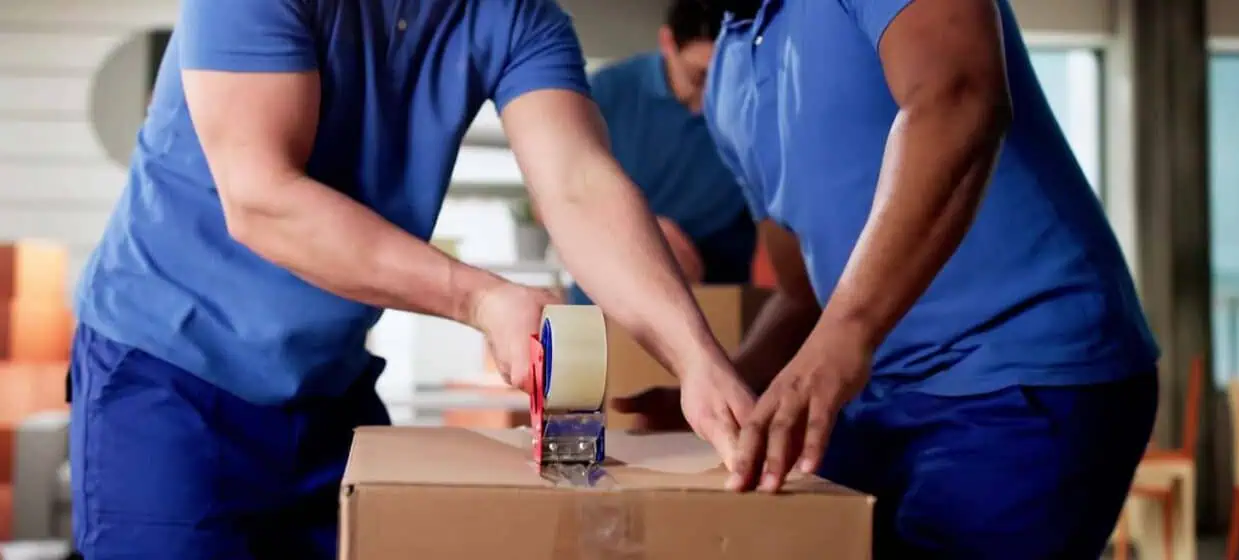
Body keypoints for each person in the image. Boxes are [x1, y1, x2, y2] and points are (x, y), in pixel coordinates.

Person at [67, 0, 757, 557]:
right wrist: (483, 300)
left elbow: (578, 185)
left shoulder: (521, 18)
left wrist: (693, 356)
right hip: (166, 376)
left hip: (325, 385)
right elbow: (261, 198)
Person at [618, 0, 1160, 556]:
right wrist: (729, 387)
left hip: (1020, 373)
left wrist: (845, 335)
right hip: (875, 392)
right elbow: (804, 289)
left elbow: (959, 96)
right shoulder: (729, 75)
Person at [564, 0, 757, 304]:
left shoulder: (756, 108)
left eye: (727, 75)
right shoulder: (606, 93)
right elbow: (552, 198)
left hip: (718, 308)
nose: (714, 94)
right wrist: (640, 232)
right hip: (606, 307)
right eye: (700, 76)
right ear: (667, 43)